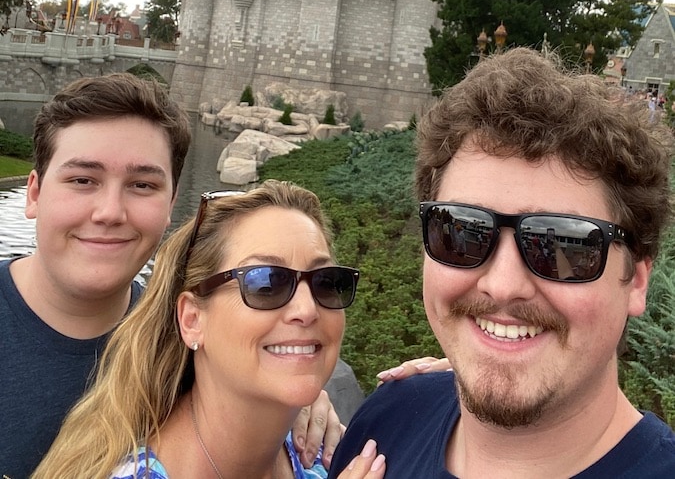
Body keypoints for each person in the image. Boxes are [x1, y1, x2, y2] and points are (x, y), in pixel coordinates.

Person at [330, 47, 675, 477]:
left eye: (563, 244)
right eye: (463, 232)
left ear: (636, 280)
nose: (503, 284)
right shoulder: (384, 426)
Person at [0, 73, 340, 479]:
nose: (110, 212)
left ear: (171, 204)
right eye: (82, 180)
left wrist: (293, 392)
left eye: (142, 185)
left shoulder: (187, 347)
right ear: (34, 193)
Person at [33, 180, 386, 479]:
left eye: (326, 281)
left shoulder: (316, 454)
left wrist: (441, 383)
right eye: (266, 283)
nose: (307, 310)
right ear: (192, 320)